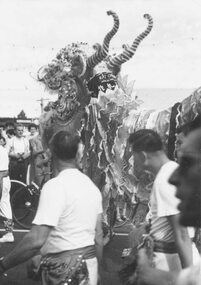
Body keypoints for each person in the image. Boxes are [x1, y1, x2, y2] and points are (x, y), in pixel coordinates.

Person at [0, 130, 103, 285]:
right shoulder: (91, 187)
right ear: (77, 154)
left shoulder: (55, 186)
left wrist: (3, 264)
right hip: (90, 267)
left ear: (50, 153)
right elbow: (98, 237)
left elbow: (36, 239)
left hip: (64, 271)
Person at [137, 127, 201, 285]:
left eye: (181, 143)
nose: (177, 148)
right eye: (176, 143)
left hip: (172, 263)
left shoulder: (168, 176)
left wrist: (189, 279)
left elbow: (182, 234)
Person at [0, 136, 14, 243]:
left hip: (2, 181)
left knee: (4, 206)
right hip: (3, 180)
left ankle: (9, 233)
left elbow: (2, 173)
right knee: (5, 206)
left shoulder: (1, 151)